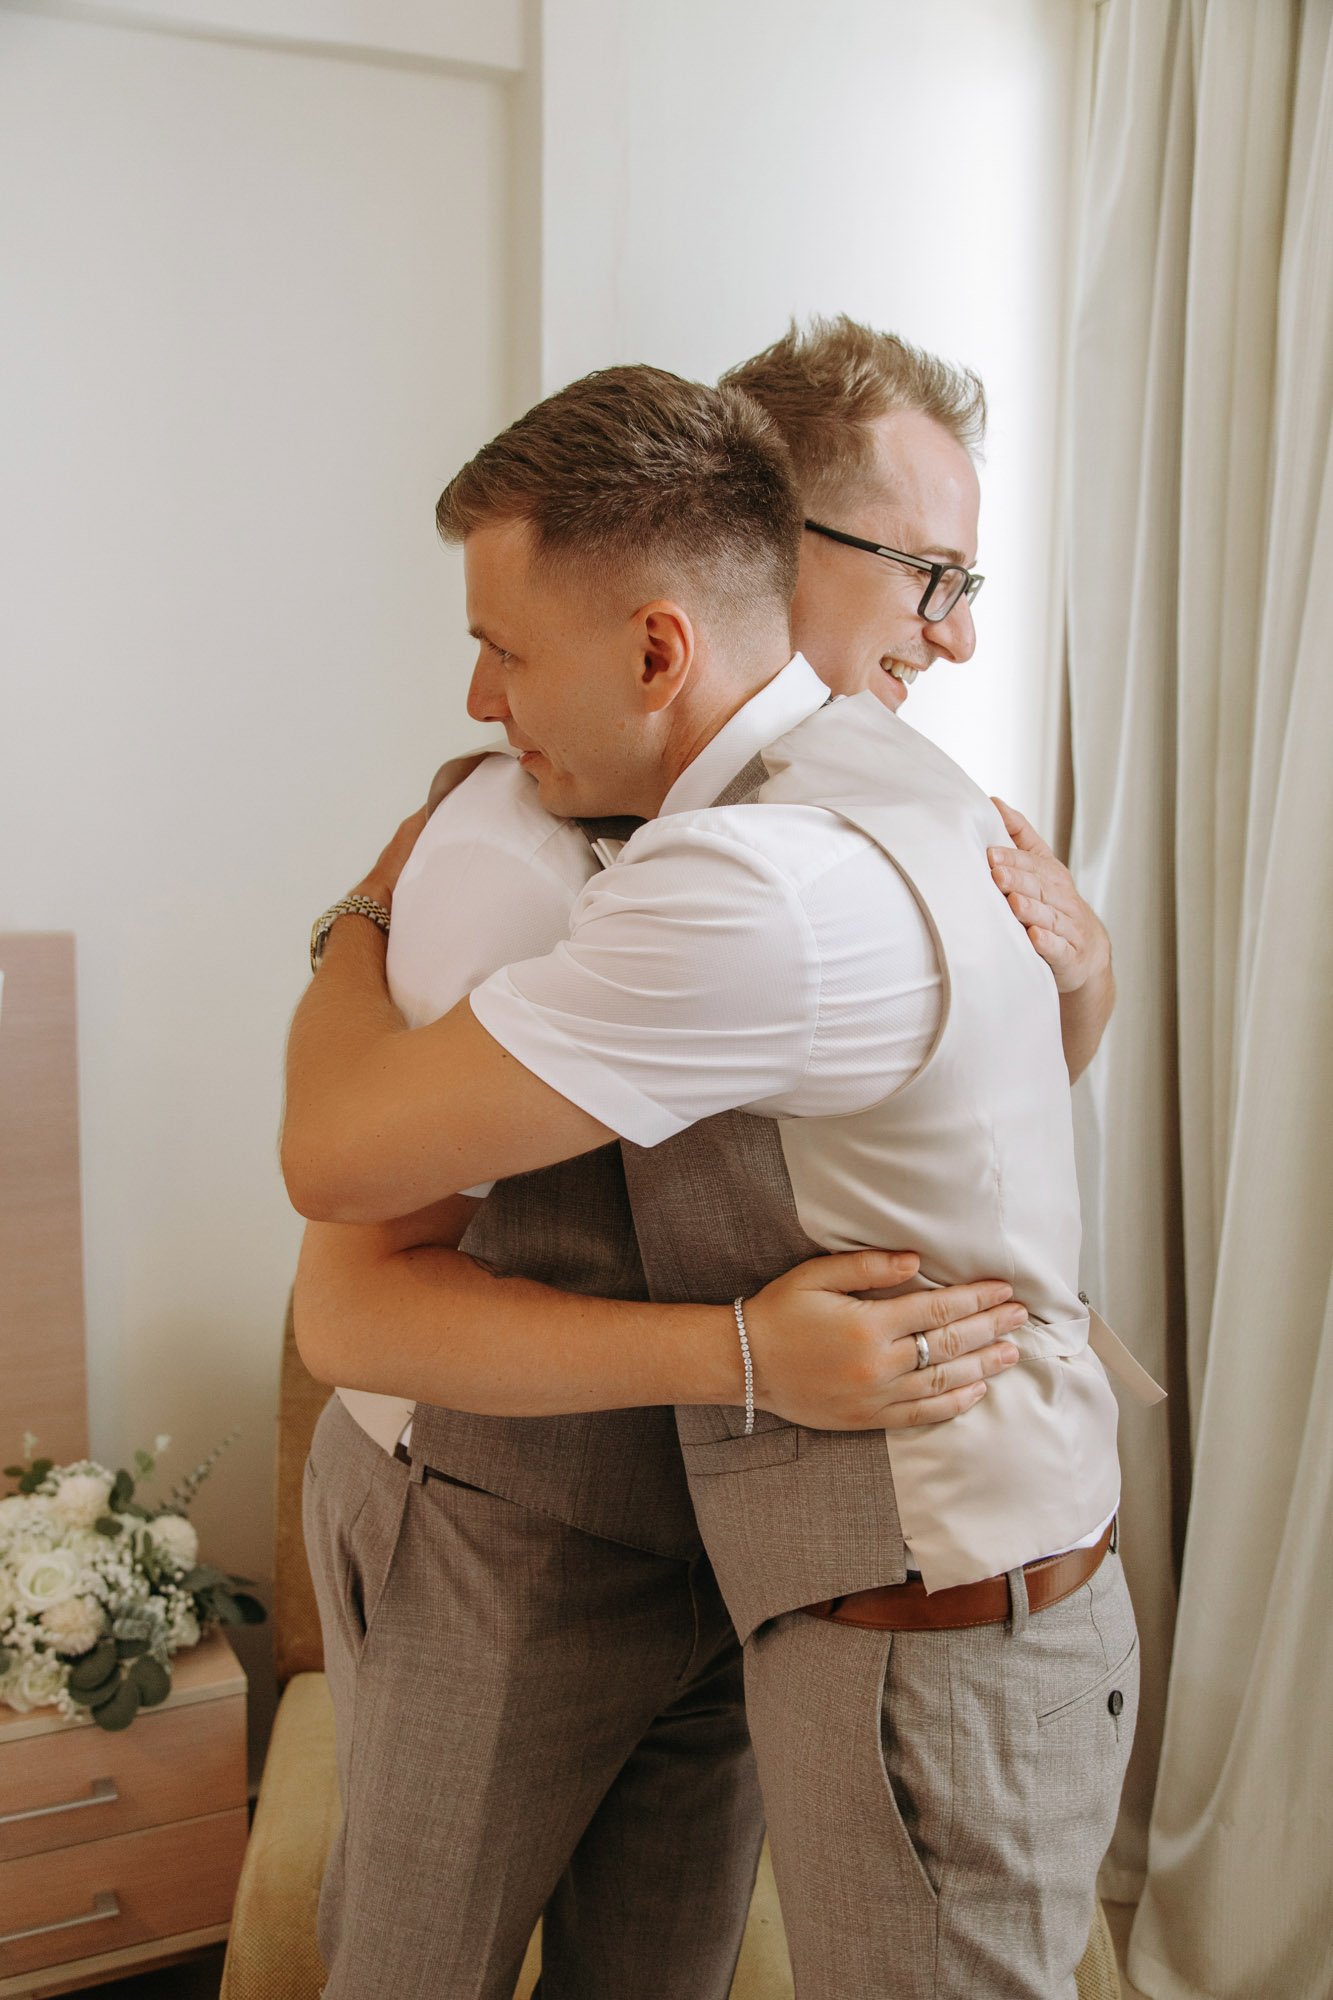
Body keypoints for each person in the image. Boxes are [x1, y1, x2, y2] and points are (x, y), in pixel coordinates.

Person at [285, 354, 1142, 1999]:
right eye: (926, 575)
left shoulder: (842, 837)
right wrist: (371, 909)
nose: (949, 632)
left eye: (503, 652)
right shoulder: (523, 846)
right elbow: (350, 1264)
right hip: (517, 1525)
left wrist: (1082, 977)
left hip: (786, 1552)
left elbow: (943, 1126)